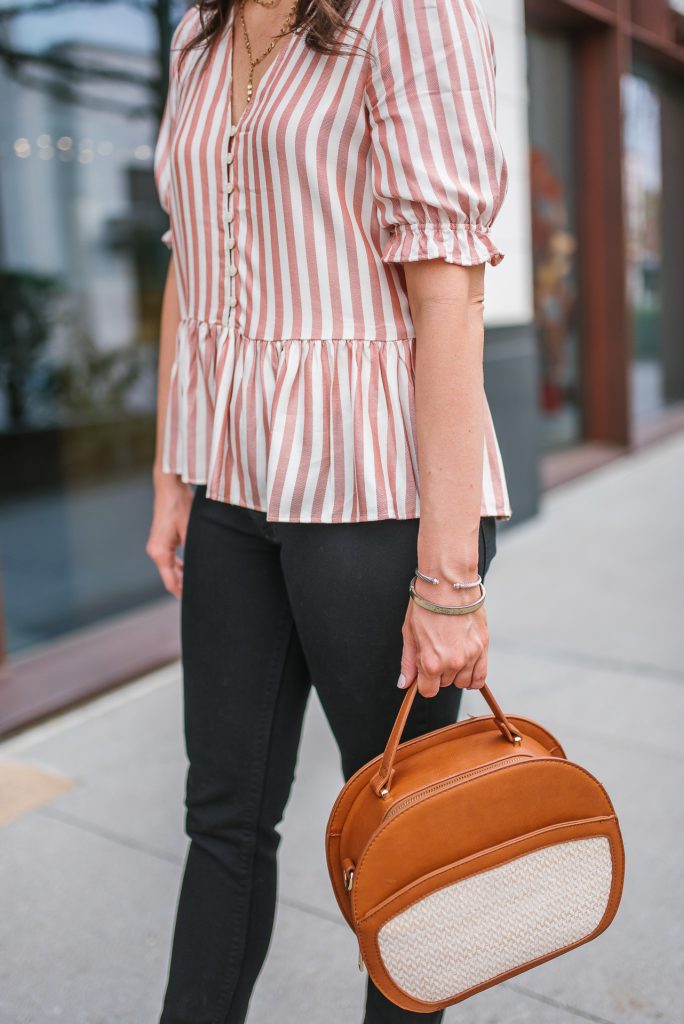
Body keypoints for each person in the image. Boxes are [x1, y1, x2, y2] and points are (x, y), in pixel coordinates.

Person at [146, 0, 512, 1021]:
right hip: (232, 477)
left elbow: (449, 290)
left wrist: (448, 582)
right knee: (222, 812)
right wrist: (174, 470)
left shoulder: (407, 12)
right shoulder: (197, 35)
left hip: (378, 488)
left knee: (402, 844)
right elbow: (190, 256)